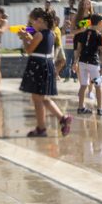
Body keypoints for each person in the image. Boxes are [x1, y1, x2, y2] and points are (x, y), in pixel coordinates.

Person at [17, 7, 71, 137]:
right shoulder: (50, 33)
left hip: (38, 66)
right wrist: (29, 36)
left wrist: (24, 38)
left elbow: (29, 50)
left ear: (40, 21)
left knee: (37, 99)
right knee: (43, 98)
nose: (31, 25)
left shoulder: (39, 34)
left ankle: (42, 128)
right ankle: (62, 119)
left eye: (32, 22)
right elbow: (39, 45)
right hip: (46, 65)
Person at [73, 14, 102, 115]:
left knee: (83, 85)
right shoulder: (100, 36)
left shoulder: (82, 34)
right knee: (98, 86)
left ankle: (80, 107)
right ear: (101, 22)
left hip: (82, 62)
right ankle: (100, 109)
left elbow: (78, 49)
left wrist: (75, 61)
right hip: (93, 63)